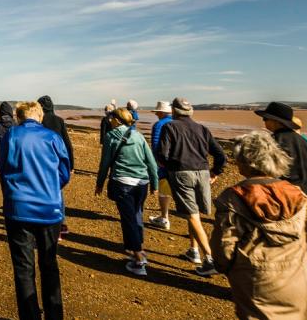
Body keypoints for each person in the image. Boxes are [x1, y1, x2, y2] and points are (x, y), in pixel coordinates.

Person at [211, 130, 307, 320]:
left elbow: (223, 249)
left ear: (246, 161)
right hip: (300, 278)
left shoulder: (233, 198)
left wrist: (227, 268)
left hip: (255, 280)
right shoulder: (297, 194)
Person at [0, 101, 72, 320]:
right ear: (39, 116)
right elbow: (64, 172)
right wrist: (49, 186)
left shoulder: (11, 136)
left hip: (18, 208)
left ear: (19, 116)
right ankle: (54, 316)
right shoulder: (52, 137)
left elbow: (3, 168)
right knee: (49, 264)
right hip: (49, 208)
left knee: (23, 267)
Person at [155, 96, 227, 276]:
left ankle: (210, 259)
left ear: (174, 112)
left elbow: (162, 155)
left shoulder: (169, 127)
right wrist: (215, 172)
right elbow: (221, 155)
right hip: (202, 173)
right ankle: (193, 250)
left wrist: (169, 168)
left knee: (193, 215)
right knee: (193, 214)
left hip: (181, 173)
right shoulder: (202, 128)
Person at [96, 108, 159, 276]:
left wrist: (99, 183)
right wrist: (154, 183)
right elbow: (151, 161)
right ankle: (137, 248)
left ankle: (139, 258)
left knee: (128, 219)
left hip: (123, 182)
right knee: (137, 214)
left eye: (111, 117)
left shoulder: (111, 136)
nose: (109, 120)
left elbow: (105, 163)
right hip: (142, 183)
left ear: (117, 119)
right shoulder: (138, 136)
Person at [255, 102, 307, 216]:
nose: (263, 121)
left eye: (265, 118)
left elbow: (266, 175)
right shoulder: (303, 141)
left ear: (276, 121)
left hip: (291, 199)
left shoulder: (274, 141)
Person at [39, 95, 74, 238]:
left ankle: (49, 223)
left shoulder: (39, 121)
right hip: (58, 160)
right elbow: (67, 143)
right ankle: (62, 224)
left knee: (44, 191)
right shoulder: (59, 120)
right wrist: (71, 163)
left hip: (43, 160)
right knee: (58, 190)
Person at [147, 101, 175, 230]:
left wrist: (156, 164)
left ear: (162, 112)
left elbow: (156, 145)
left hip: (164, 164)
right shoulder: (177, 122)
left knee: (164, 191)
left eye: (157, 112)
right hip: (180, 164)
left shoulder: (159, 125)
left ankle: (164, 218)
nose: (156, 114)